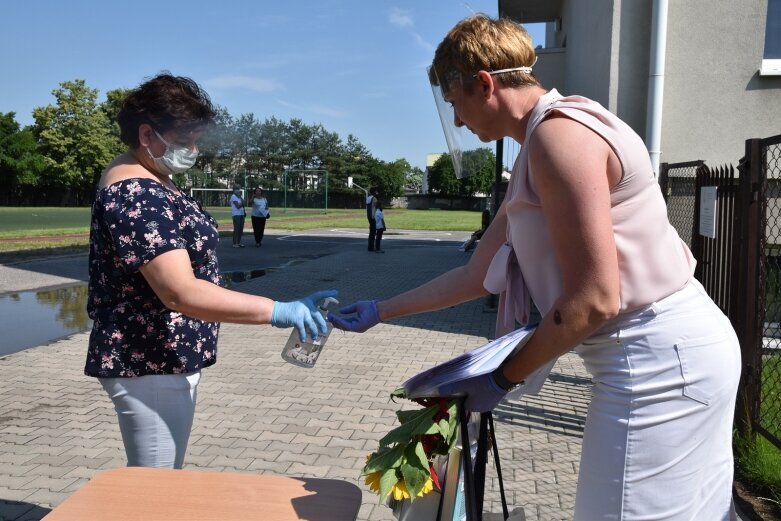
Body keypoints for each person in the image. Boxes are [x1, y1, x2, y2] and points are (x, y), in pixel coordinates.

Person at [329, 14, 740, 520]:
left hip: (656, 363)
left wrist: (501, 379)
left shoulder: (557, 138)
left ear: (483, 84)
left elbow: (593, 301)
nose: (457, 120)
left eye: (454, 102)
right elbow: (477, 274)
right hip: (672, 353)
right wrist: (381, 308)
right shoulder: (539, 145)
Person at [85, 72, 336, 469]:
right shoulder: (136, 193)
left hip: (165, 359)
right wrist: (278, 310)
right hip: (149, 360)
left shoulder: (152, 176)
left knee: (161, 480)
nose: (194, 149)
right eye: (185, 141)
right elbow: (178, 292)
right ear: (147, 135)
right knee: (155, 490)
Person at [366, 187, 378, 251]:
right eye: (376, 191)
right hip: (373, 216)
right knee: (373, 232)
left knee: (371, 232)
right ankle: (372, 247)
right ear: (374, 192)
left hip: (369, 216)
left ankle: (370, 246)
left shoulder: (368, 198)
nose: (377, 192)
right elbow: (377, 206)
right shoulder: (374, 198)